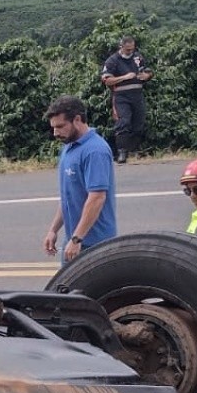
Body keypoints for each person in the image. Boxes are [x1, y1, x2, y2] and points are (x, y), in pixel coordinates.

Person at [42, 95, 117, 264]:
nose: (55, 133)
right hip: (74, 240)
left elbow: (97, 198)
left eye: (60, 126)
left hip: (93, 244)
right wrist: (53, 230)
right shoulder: (68, 148)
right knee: (64, 289)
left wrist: (77, 239)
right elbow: (69, 197)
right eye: (53, 128)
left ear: (77, 119)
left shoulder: (95, 151)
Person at [100, 35, 153, 164]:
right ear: (121, 47)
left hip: (137, 95)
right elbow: (107, 80)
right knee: (123, 122)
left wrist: (146, 76)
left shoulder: (137, 57)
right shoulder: (112, 61)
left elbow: (148, 71)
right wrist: (124, 77)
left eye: (132, 49)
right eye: (127, 49)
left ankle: (132, 150)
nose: (130, 52)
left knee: (138, 123)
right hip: (121, 96)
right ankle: (121, 153)